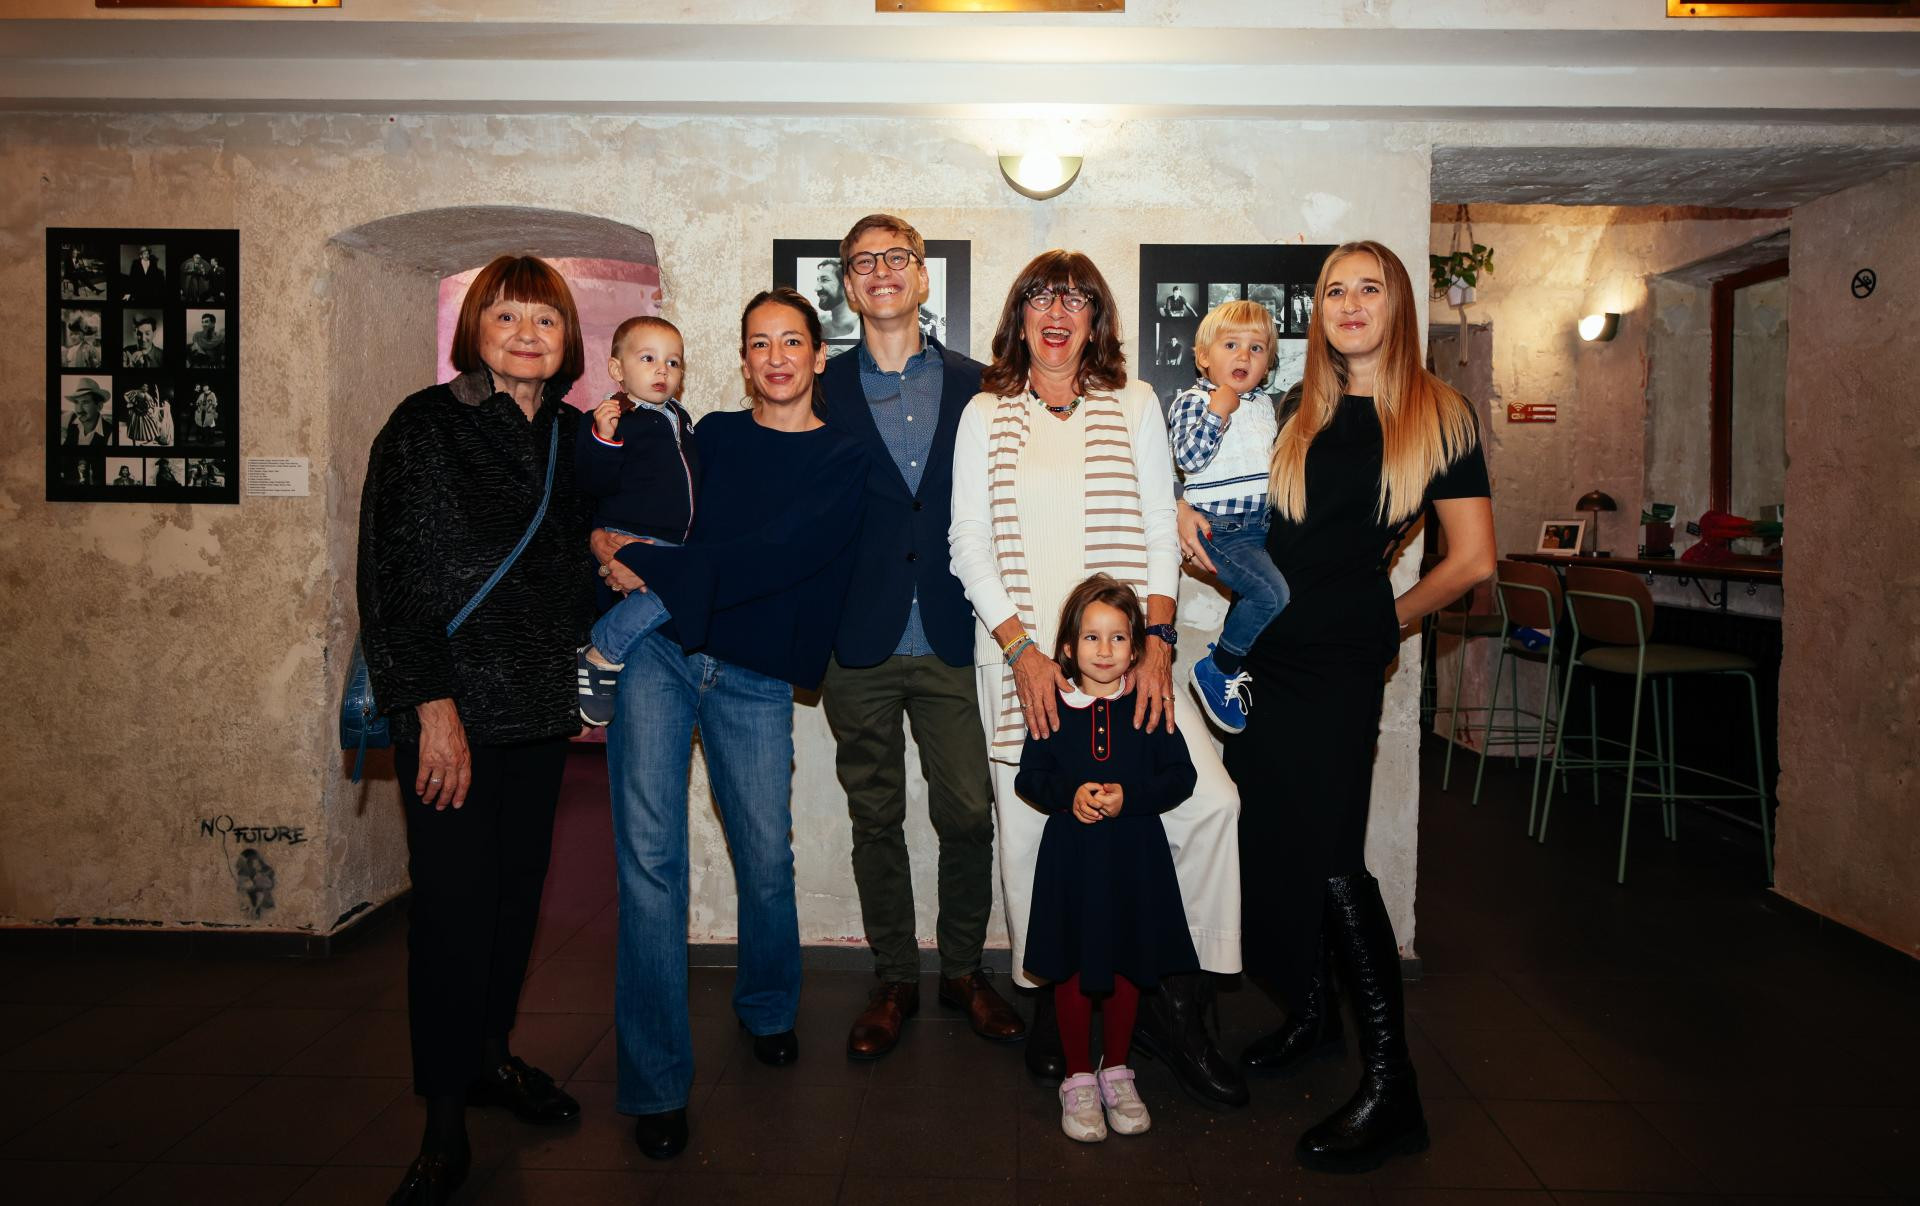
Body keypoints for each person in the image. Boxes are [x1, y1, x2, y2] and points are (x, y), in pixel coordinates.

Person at [1193, 240, 1493, 1173]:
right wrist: (1203, 539)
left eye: (1369, 288)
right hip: (1268, 661)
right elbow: (1270, 535)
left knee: (1330, 860)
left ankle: (1394, 1088)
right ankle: (1313, 1015)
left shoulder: (1440, 415)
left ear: (1398, 305)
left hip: (1339, 667)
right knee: (1273, 842)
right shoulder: (1295, 408)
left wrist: (1383, 619)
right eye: (1334, 291)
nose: (1351, 303)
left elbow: (1473, 561)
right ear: (1317, 312)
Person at [949, 249, 1247, 1108]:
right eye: (1041, 296)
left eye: (1077, 299)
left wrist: (1159, 640)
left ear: (1096, 321)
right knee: (1034, 833)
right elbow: (968, 543)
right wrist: (1023, 650)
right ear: (1020, 314)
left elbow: (1159, 526)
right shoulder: (985, 413)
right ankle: (1055, 1001)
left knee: (1211, 806)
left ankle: (1178, 1005)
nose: (1058, 311)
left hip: (1129, 658)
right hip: (1023, 662)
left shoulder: (1136, 403)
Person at [591, 287, 865, 1162]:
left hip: (752, 674)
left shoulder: (844, 458)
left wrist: (652, 566)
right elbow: (642, 504)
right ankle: (657, 1084)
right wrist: (607, 538)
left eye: (792, 341)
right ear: (743, 360)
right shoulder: (706, 434)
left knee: (766, 857)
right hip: (660, 656)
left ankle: (768, 1007)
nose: (776, 357)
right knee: (650, 864)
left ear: (819, 355)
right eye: (759, 344)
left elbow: (775, 558)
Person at [357, 254, 596, 1206]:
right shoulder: (426, 427)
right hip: (451, 714)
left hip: (537, 709)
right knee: (452, 914)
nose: (527, 335)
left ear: (568, 338)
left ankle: (493, 1057)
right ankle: (444, 1120)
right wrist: (430, 707)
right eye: (507, 317)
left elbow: (586, 558)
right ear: (475, 331)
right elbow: (393, 580)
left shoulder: (578, 435)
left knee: (513, 901)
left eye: (546, 319)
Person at [815, 214, 1021, 1061]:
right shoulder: (819, 385)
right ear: (848, 284)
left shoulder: (981, 385)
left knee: (969, 812)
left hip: (953, 635)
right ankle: (895, 977)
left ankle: (964, 971)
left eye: (896, 256)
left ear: (923, 275)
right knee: (876, 817)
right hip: (855, 641)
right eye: (864, 262)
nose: (882, 271)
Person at [1017, 574, 1198, 1143]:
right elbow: (1030, 777)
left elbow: (1182, 776)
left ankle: (1117, 1070)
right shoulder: (1052, 707)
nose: (1104, 650)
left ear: (1137, 648)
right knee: (1072, 966)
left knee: (1128, 964)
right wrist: (1067, 796)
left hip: (1134, 861)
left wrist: (1131, 798)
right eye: (1091, 637)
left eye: (1118, 637)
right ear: (1068, 647)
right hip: (1071, 863)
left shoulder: (1150, 705)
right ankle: (1077, 1077)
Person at [1169, 300, 1290, 733]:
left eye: (1256, 348)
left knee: (1274, 598)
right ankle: (1217, 667)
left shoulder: (1264, 406)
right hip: (1221, 531)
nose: (1244, 356)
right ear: (1204, 357)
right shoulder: (1194, 401)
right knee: (1271, 595)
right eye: (1231, 345)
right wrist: (1218, 411)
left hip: (1262, 527)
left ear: (1267, 363)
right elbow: (1188, 459)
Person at [571, 315, 698, 726]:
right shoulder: (612, 418)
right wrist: (604, 439)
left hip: (673, 540)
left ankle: (606, 650)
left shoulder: (680, 417)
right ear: (617, 369)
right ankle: (600, 654)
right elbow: (592, 483)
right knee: (678, 586)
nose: (662, 370)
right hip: (629, 534)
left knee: (688, 584)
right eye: (648, 359)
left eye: (673, 362)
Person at [814, 257, 860, 339]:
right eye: (818, 280)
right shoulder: (819, 324)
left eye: (825, 280)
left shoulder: (861, 328)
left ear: (847, 285)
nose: (817, 288)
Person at [62, 379, 112, 446]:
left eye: (85, 402)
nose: (79, 410)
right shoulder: (68, 418)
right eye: (76, 402)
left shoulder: (110, 434)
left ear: (99, 406)